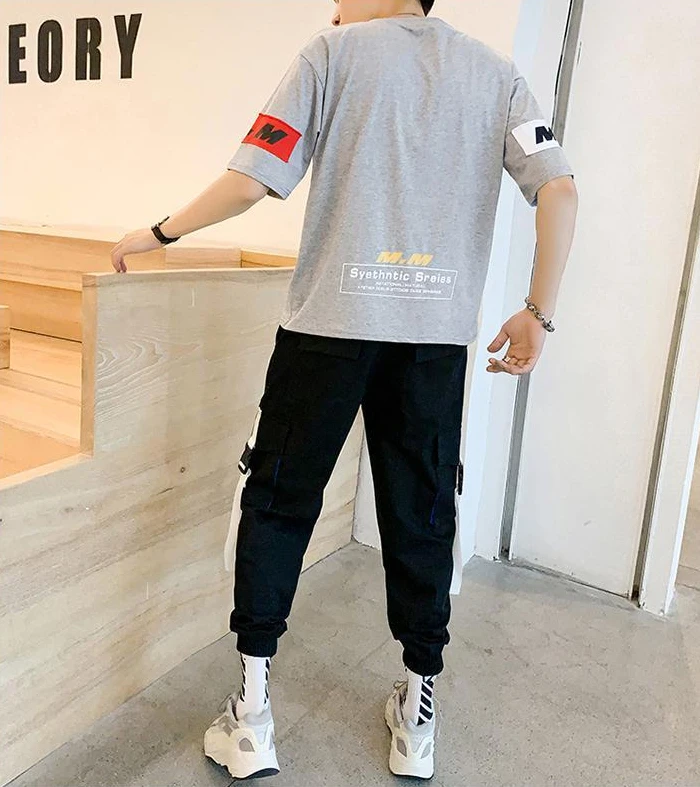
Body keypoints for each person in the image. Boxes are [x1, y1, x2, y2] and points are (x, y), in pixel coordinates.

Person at [110, 0, 578, 780]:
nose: (333, 5)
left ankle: (252, 716)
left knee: (277, 500)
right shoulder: (496, 76)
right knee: (424, 510)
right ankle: (418, 721)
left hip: (326, 331)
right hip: (431, 342)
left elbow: (251, 180)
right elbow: (559, 188)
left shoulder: (329, 57)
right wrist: (539, 312)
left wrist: (159, 232)